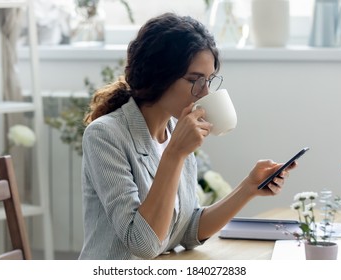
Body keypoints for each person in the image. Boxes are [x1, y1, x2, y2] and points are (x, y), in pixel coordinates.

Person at [79, 13, 297, 260]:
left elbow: (187, 229)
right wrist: (175, 153)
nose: (204, 93)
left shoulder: (175, 129)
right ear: (158, 75)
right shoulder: (105, 136)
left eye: (209, 81)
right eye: (195, 80)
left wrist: (248, 187)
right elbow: (142, 244)